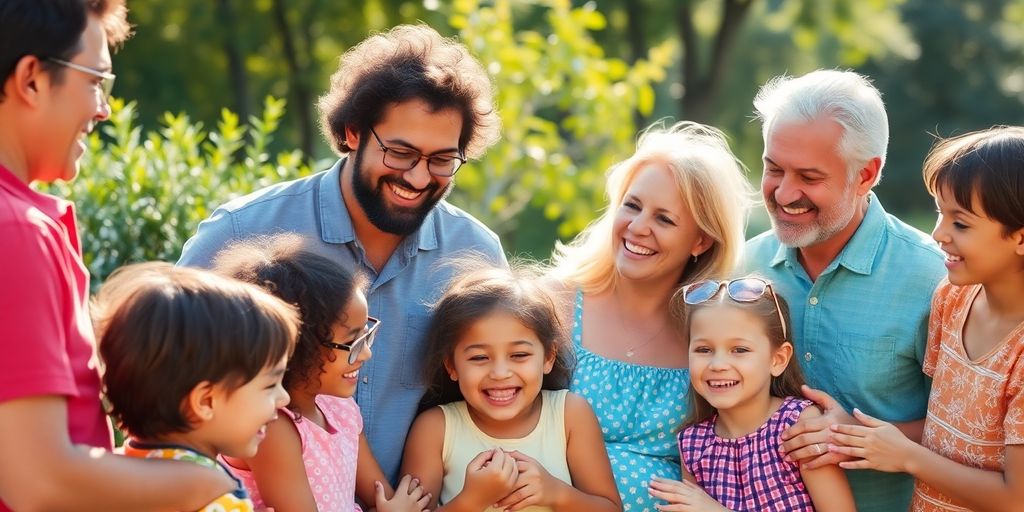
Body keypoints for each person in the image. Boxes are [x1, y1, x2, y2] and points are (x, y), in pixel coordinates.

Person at [177, 24, 506, 482]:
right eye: (400, 153)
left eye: (441, 160)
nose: (417, 178)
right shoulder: (241, 232)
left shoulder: (476, 255)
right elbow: (167, 377)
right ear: (353, 132)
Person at [0, 1, 237, 509]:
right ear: (31, 79)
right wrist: (205, 485)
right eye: (95, 82)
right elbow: (38, 481)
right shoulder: (15, 231)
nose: (104, 109)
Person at [741, 69, 947, 510]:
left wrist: (852, 437)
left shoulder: (935, 280)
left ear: (866, 175)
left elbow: (970, 433)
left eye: (809, 177)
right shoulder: (742, 268)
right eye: (773, 168)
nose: (784, 193)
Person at [548, 121, 752, 510]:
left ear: (701, 240)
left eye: (664, 219)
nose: (638, 227)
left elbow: (747, 441)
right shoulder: (553, 304)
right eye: (632, 206)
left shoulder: (712, 335)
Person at [828, 126, 1024, 512]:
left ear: (1019, 238)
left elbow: (1015, 498)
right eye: (940, 213)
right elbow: (943, 433)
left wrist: (907, 458)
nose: (938, 234)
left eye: (960, 223)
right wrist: (854, 433)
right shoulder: (952, 298)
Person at [213, 234, 430, 512]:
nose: (366, 353)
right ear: (298, 348)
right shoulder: (273, 427)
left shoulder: (339, 407)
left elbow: (383, 497)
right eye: (352, 342)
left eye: (366, 335)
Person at [402, 265, 621, 511]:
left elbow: (610, 508)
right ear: (452, 366)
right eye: (479, 357)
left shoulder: (570, 415)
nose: (500, 373)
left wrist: (556, 493)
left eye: (519, 355)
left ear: (548, 357)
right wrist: (472, 500)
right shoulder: (435, 429)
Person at [93, 263, 299, 511]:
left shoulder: (117, 469)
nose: (283, 398)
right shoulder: (211, 491)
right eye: (270, 385)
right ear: (205, 402)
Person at [649, 277, 855, 511]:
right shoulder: (692, 445)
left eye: (739, 349)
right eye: (703, 349)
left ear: (778, 359)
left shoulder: (798, 426)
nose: (718, 364)